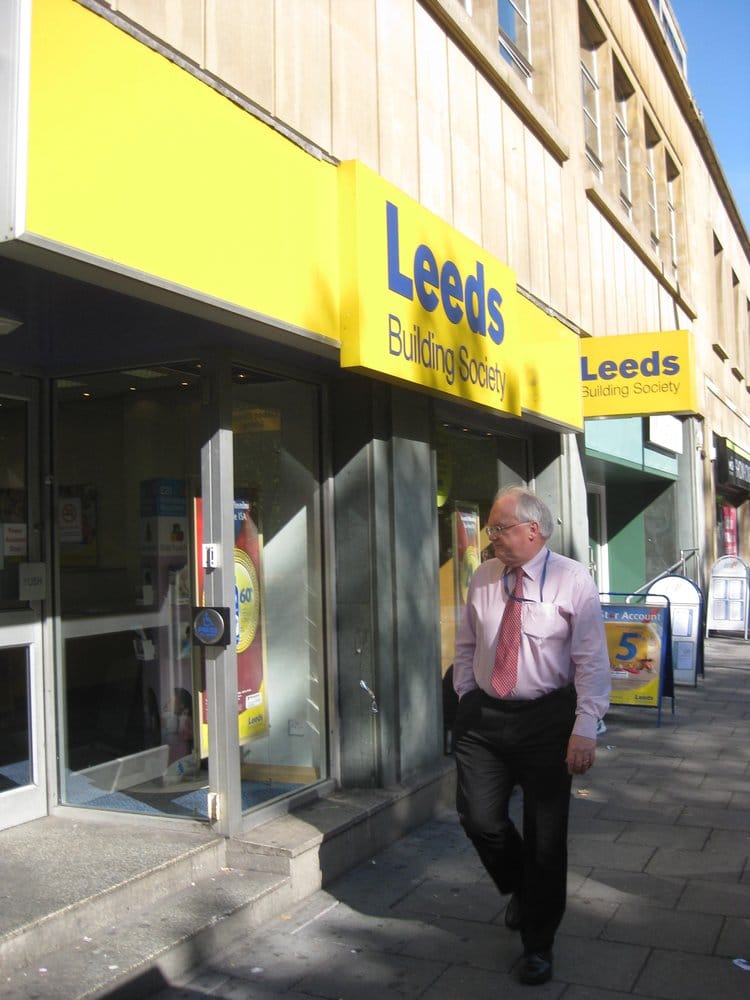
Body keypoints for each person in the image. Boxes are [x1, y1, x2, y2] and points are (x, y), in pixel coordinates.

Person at [452, 485, 610, 986]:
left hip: (547, 721)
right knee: (479, 818)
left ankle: (539, 943)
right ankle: (524, 886)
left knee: (546, 838)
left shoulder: (571, 580)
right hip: (485, 718)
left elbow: (591, 661)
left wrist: (585, 727)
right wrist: (465, 697)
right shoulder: (482, 576)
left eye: (498, 528)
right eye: (491, 528)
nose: (490, 537)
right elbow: (465, 643)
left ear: (532, 530)